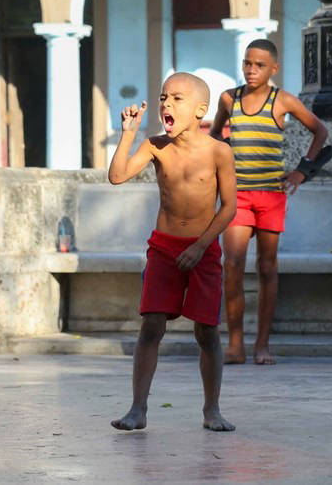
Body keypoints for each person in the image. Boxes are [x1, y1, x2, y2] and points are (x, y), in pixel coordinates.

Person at [108, 72, 236, 432]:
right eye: (164, 97)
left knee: (207, 331)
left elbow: (228, 207)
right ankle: (138, 409)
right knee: (151, 326)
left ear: (200, 110)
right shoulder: (154, 145)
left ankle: (212, 409)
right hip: (163, 249)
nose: (166, 103)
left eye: (177, 98)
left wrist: (200, 246)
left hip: (203, 249)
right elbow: (117, 177)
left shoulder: (218, 151)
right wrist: (129, 134)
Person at [209, 39, 328, 365]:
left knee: (266, 268)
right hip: (238, 197)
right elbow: (215, 136)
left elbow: (320, 131)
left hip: (271, 196)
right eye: (247, 63)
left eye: (259, 65)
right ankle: (235, 345)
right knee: (231, 266)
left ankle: (262, 345)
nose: (251, 70)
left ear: (273, 68)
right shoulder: (228, 99)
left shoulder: (283, 101)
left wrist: (302, 171)